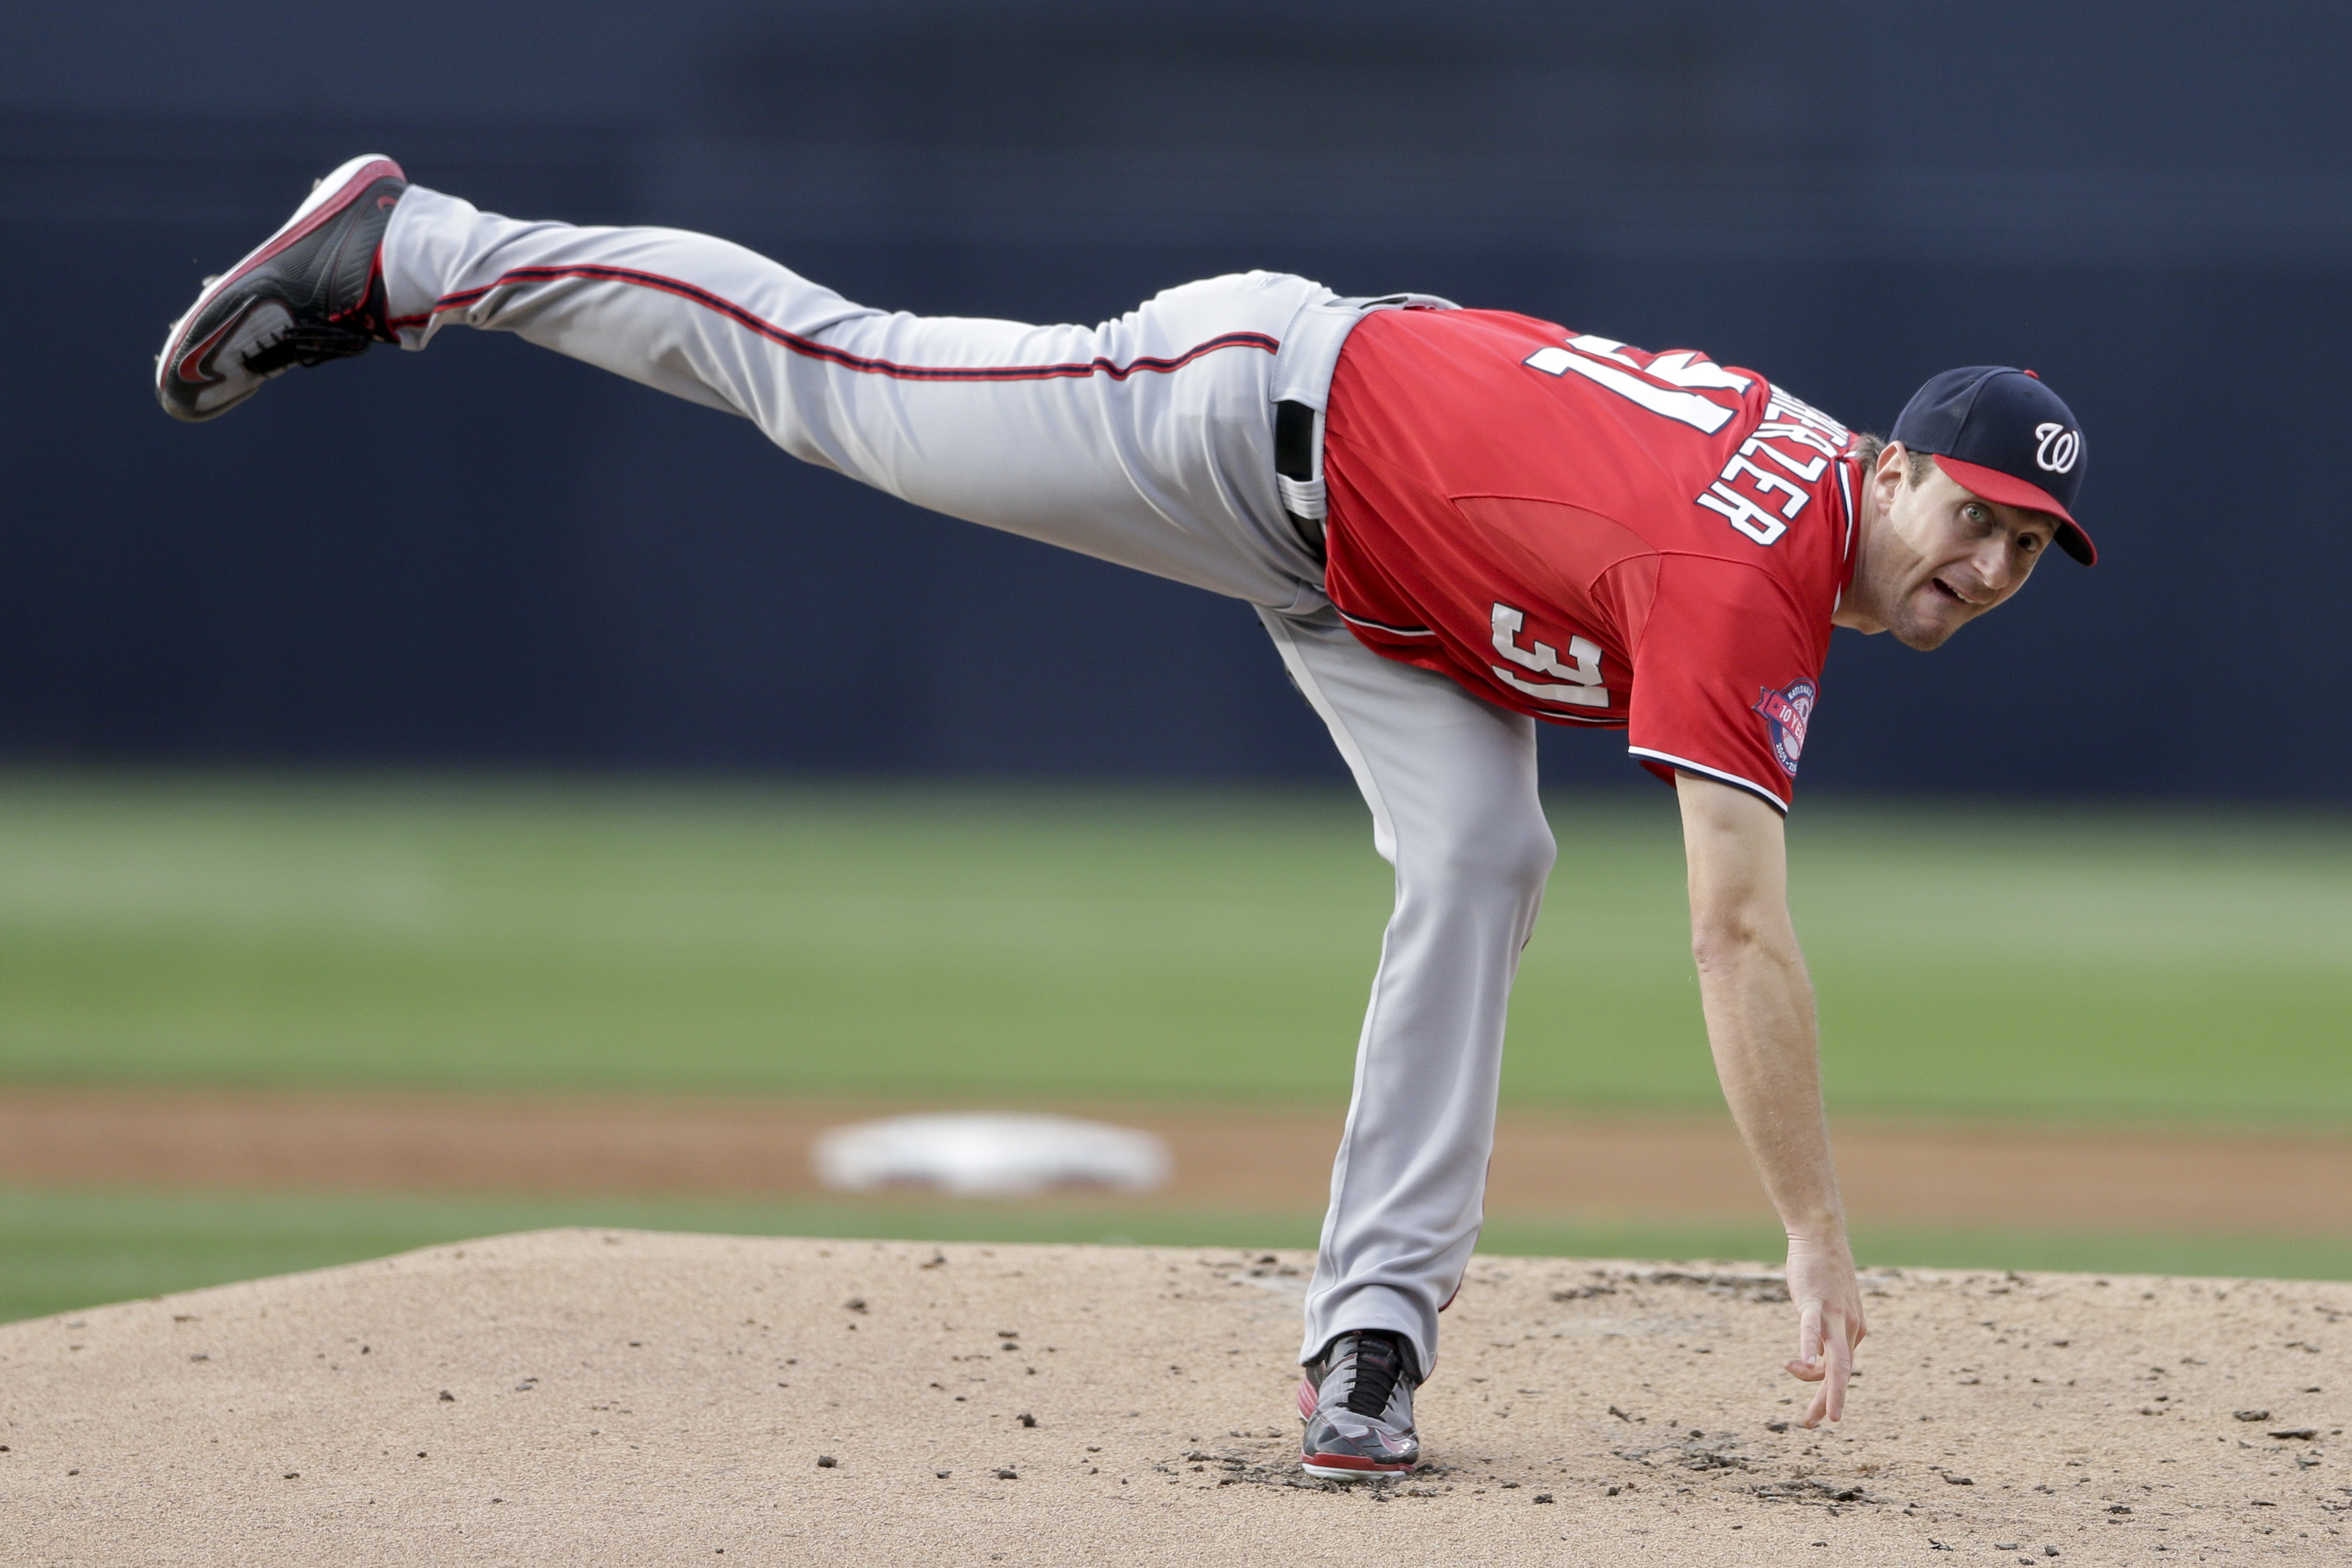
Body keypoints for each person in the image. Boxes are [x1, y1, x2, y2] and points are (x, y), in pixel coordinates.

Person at [155, 155, 2094, 1481]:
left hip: (1380, 559)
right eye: (1978, 516)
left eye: (2031, 547)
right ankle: (417, 249)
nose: (1994, 565)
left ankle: (1372, 1347)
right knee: (834, 373)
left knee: (1489, 859)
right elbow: (1736, 930)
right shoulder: (1760, 572)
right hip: (1242, 412)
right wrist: (1817, 1228)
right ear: (1894, 463)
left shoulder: (1803, 499)